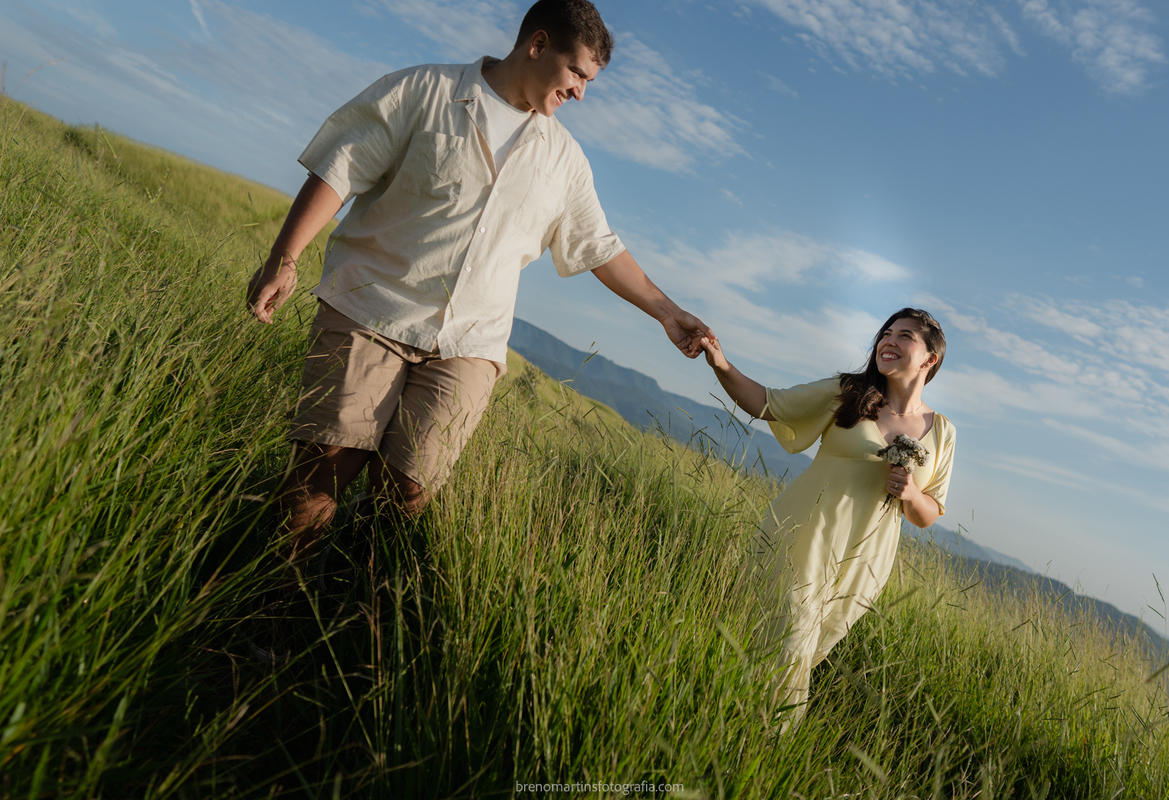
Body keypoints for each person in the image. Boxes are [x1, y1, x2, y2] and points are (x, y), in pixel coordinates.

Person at [244, 0, 712, 564]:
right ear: (537, 45)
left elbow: (599, 246)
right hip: (371, 309)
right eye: (577, 74)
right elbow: (340, 166)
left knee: (409, 491)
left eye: (590, 82)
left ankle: (358, 604)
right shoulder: (425, 90)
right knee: (324, 471)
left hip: (468, 342)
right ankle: (272, 602)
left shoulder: (564, 159)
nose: (582, 94)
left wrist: (667, 311)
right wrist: (285, 257)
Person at [698, 308, 955, 724]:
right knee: (789, 641)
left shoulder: (942, 430)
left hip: (865, 560)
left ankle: (728, 716)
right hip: (806, 535)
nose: (887, 341)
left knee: (807, 649)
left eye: (904, 336)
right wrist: (721, 363)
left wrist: (910, 492)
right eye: (885, 333)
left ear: (930, 359)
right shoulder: (848, 392)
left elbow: (928, 513)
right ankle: (768, 743)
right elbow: (766, 403)